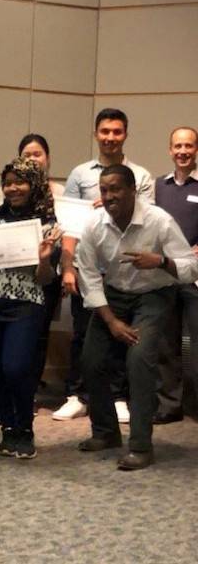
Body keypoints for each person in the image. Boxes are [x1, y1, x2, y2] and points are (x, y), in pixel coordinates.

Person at [76, 164, 198, 470]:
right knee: (91, 361)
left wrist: (161, 261)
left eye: (116, 189)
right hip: (113, 296)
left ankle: (141, 446)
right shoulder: (94, 224)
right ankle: (106, 433)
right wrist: (111, 321)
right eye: (104, 190)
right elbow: (88, 276)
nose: (109, 196)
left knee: (139, 359)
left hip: (153, 296)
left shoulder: (159, 221)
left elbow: (191, 268)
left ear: (133, 190)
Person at [55, 108, 154, 423]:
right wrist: (68, 268)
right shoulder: (80, 174)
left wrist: (117, 200)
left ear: (125, 134)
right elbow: (69, 226)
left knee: (122, 334)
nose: (110, 137)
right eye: (105, 131)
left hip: (125, 270)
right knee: (83, 334)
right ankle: (76, 394)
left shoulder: (141, 176)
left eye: (117, 131)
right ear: (96, 134)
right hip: (87, 267)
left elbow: (147, 221)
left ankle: (118, 396)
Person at [0, 157, 61, 458]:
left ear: (34, 184)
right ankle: (8, 428)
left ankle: (25, 425)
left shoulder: (48, 225)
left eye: (20, 182)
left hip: (25, 305)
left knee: (16, 367)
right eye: (8, 183)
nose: (13, 188)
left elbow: (46, 279)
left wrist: (45, 258)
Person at [153, 126, 198, 424]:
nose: (183, 151)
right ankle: (169, 406)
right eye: (177, 146)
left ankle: (195, 405)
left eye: (189, 146)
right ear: (170, 150)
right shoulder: (158, 186)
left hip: (195, 278)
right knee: (166, 344)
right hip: (166, 276)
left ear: (196, 150)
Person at [15, 134, 64, 390]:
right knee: (21, 329)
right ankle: (20, 383)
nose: (32, 159)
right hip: (20, 274)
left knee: (40, 330)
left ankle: (31, 386)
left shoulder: (60, 193)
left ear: (47, 158)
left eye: (37, 154)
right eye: (27, 155)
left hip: (49, 272)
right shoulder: (14, 193)